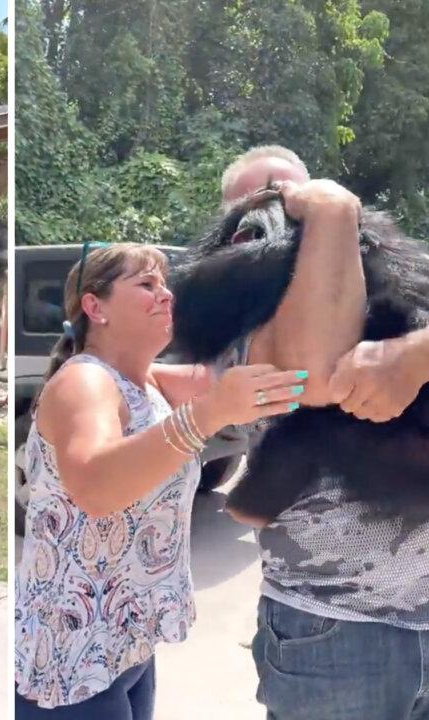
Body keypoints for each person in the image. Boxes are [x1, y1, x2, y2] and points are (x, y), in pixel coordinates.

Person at [14, 242, 305, 719]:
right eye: (146, 285)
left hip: (123, 642)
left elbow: (260, 368)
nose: (165, 295)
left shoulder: (149, 380)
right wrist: (207, 415)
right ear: (95, 307)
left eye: (164, 284)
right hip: (71, 655)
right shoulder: (84, 382)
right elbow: (96, 488)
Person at [218, 146, 429, 719]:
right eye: (266, 201)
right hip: (334, 635)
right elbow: (316, 375)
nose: (287, 210)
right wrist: (330, 209)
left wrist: (415, 354)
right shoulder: (242, 321)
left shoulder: (396, 277)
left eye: (295, 195)